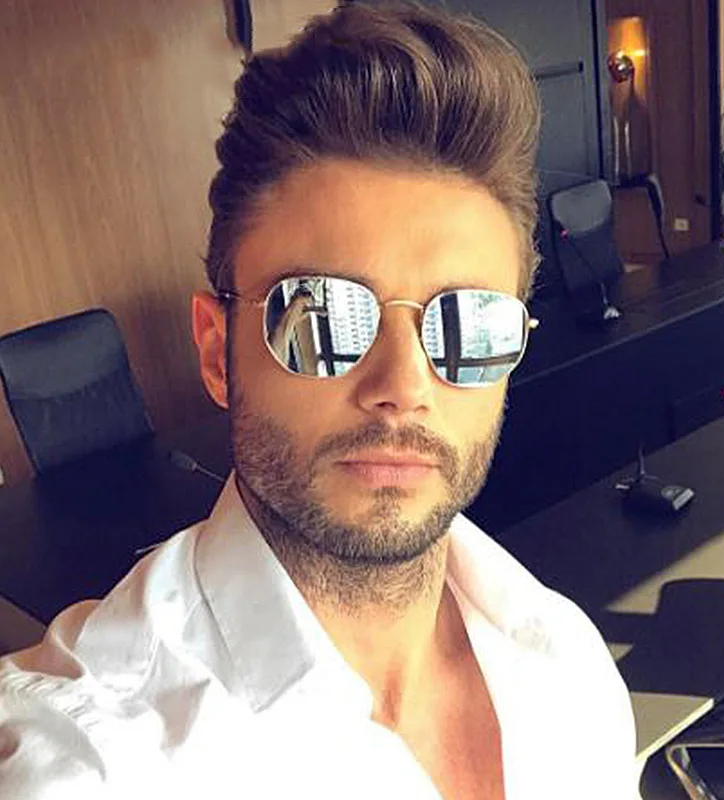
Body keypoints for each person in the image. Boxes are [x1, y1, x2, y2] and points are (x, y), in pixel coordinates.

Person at [0, 2, 638, 798]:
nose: (403, 387)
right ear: (217, 352)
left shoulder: (570, 668)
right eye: (324, 317)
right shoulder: (101, 757)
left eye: (468, 324)